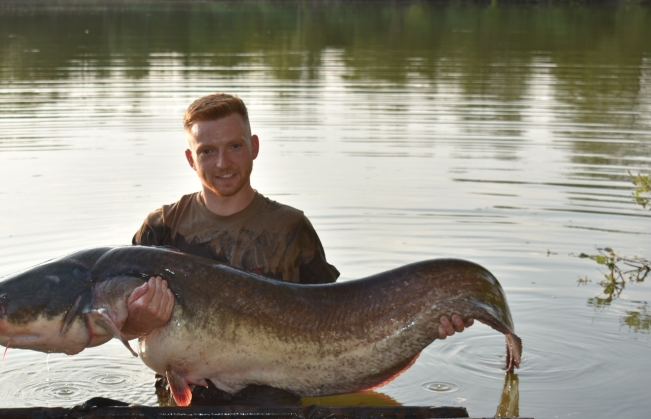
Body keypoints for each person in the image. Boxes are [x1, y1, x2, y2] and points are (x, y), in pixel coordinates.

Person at [120, 93, 471, 343]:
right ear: (190, 159)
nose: (223, 163)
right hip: (182, 395)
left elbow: (335, 324)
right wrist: (136, 322)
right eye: (207, 151)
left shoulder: (290, 228)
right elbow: (115, 325)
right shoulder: (160, 229)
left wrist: (425, 321)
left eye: (235, 147)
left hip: (275, 393)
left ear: (254, 147)